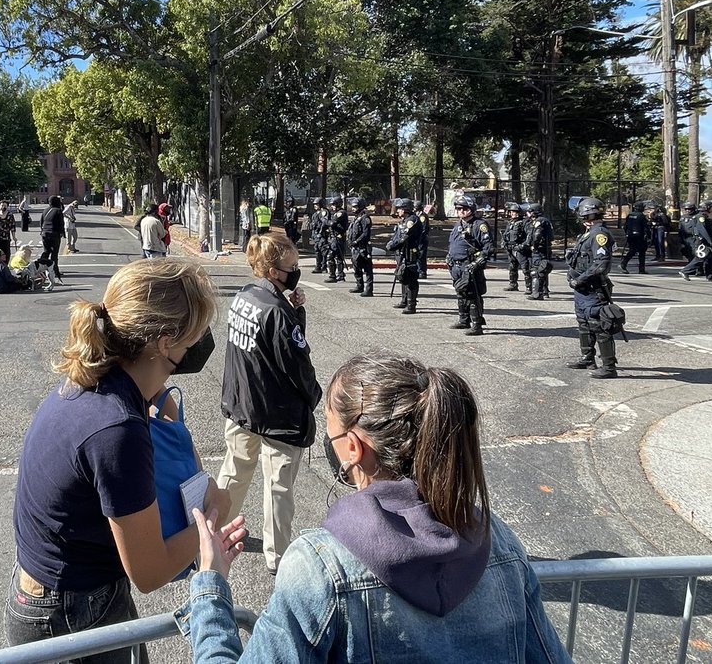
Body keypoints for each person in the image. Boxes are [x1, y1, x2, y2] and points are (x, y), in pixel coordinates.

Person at [179, 353, 572, 663]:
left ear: (353, 447)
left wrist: (210, 586)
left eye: (331, 434)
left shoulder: (320, 565)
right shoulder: (496, 538)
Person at [6, 258, 234, 659]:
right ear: (165, 342)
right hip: (74, 610)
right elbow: (149, 572)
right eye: (194, 335)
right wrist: (211, 527)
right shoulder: (117, 429)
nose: (199, 343)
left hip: (56, 592)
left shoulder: (97, 378)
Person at [217, 233, 321, 576]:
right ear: (274, 271)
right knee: (277, 486)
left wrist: (295, 312)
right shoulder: (277, 311)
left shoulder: (244, 296)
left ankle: (215, 532)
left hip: (242, 403)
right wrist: (314, 396)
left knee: (234, 472)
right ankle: (278, 558)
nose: (296, 272)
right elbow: (297, 364)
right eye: (292, 267)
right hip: (276, 412)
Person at [565, 197, 619, 379]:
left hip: (593, 289)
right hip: (583, 290)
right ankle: (587, 358)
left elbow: (600, 264)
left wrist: (579, 280)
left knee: (599, 326)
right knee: (584, 324)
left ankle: (609, 367)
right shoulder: (588, 233)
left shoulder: (599, 234)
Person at [446, 195, 494, 335]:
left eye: (464, 208)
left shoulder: (479, 225)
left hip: (470, 265)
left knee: (473, 295)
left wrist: (477, 262)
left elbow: (489, 248)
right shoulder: (458, 224)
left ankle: (477, 325)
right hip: (456, 265)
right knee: (461, 293)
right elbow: (453, 243)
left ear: (471, 209)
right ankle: (463, 320)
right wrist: (449, 256)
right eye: (458, 208)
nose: (460, 211)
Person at [386, 198, 424, 314]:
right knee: (403, 276)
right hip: (401, 253)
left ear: (405, 209)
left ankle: (411, 304)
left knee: (411, 278)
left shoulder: (412, 220)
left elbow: (405, 237)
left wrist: (394, 245)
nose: (397, 211)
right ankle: (404, 300)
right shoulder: (403, 220)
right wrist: (391, 243)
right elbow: (397, 236)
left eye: (399, 209)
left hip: (410, 253)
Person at [524, 202, 554, 300]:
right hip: (545, 249)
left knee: (536, 271)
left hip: (539, 250)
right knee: (543, 270)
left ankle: (537, 293)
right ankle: (544, 291)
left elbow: (537, 235)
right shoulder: (545, 220)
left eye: (530, 211)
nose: (528, 213)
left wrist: (533, 245)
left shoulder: (539, 221)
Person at [680, 201, 712, 281]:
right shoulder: (701, 216)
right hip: (703, 241)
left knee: (711, 258)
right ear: (707, 207)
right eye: (711, 207)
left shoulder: (702, 216)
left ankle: (711, 276)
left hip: (704, 241)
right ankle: (685, 271)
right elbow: (702, 230)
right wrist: (709, 241)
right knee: (701, 258)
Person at [346, 199, 374, 297]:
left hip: (363, 247)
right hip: (355, 248)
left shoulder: (365, 218)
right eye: (353, 207)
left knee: (367, 269)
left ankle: (369, 289)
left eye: (355, 207)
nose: (353, 209)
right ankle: (359, 286)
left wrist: (356, 241)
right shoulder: (356, 218)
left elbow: (365, 233)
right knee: (356, 267)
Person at [501, 200, 528, 291]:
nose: (512, 213)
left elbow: (528, 236)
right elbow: (506, 233)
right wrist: (503, 242)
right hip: (510, 248)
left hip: (519, 248)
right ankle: (513, 284)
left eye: (514, 212)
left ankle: (529, 287)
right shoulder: (511, 222)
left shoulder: (524, 223)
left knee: (525, 268)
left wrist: (522, 246)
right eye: (511, 212)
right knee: (512, 267)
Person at [38, 195, 66, 284]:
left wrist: (42, 230)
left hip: (45, 233)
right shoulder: (58, 211)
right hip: (54, 234)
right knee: (54, 254)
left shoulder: (45, 210)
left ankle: (40, 268)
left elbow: (41, 222)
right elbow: (61, 223)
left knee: (46, 252)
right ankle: (55, 271)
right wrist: (63, 233)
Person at [620, 201, 649, 274]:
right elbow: (646, 228)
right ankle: (641, 269)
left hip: (631, 236)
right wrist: (648, 236)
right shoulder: (641, 216)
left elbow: (625, 226)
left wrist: (627, 234)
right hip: (640, 236)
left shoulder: (630, 215)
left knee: (632, 250)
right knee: (642, 252)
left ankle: (624, 263)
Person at [325, 197, 348, 284]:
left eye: (334, 204)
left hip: (338, 237)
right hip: (333, 237)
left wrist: (325, 221)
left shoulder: (341, 213)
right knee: (334, 256)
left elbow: (332, 223)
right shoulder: (335, 213)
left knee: (334, 256)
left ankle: (338, 275)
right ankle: (334, 275)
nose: (332, 206)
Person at [309, 198, 329, 273]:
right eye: (314, 204)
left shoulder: (324, 212)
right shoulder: (315, 214)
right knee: (317, 251)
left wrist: (321, 232)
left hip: (322, 235)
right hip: (316, 235)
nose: (315, 206)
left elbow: (324, 223)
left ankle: (324, 267)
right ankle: (318, 266)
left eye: (317, 204)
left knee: (323, 251)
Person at [415, 200, 431, 278]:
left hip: (422, 239)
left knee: (421, 256)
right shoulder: (417, 215)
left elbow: (424, 229)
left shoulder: (422, 216)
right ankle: (419, 270)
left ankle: (422, 272)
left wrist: (419, 238)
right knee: (418, 255)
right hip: (418, 239)